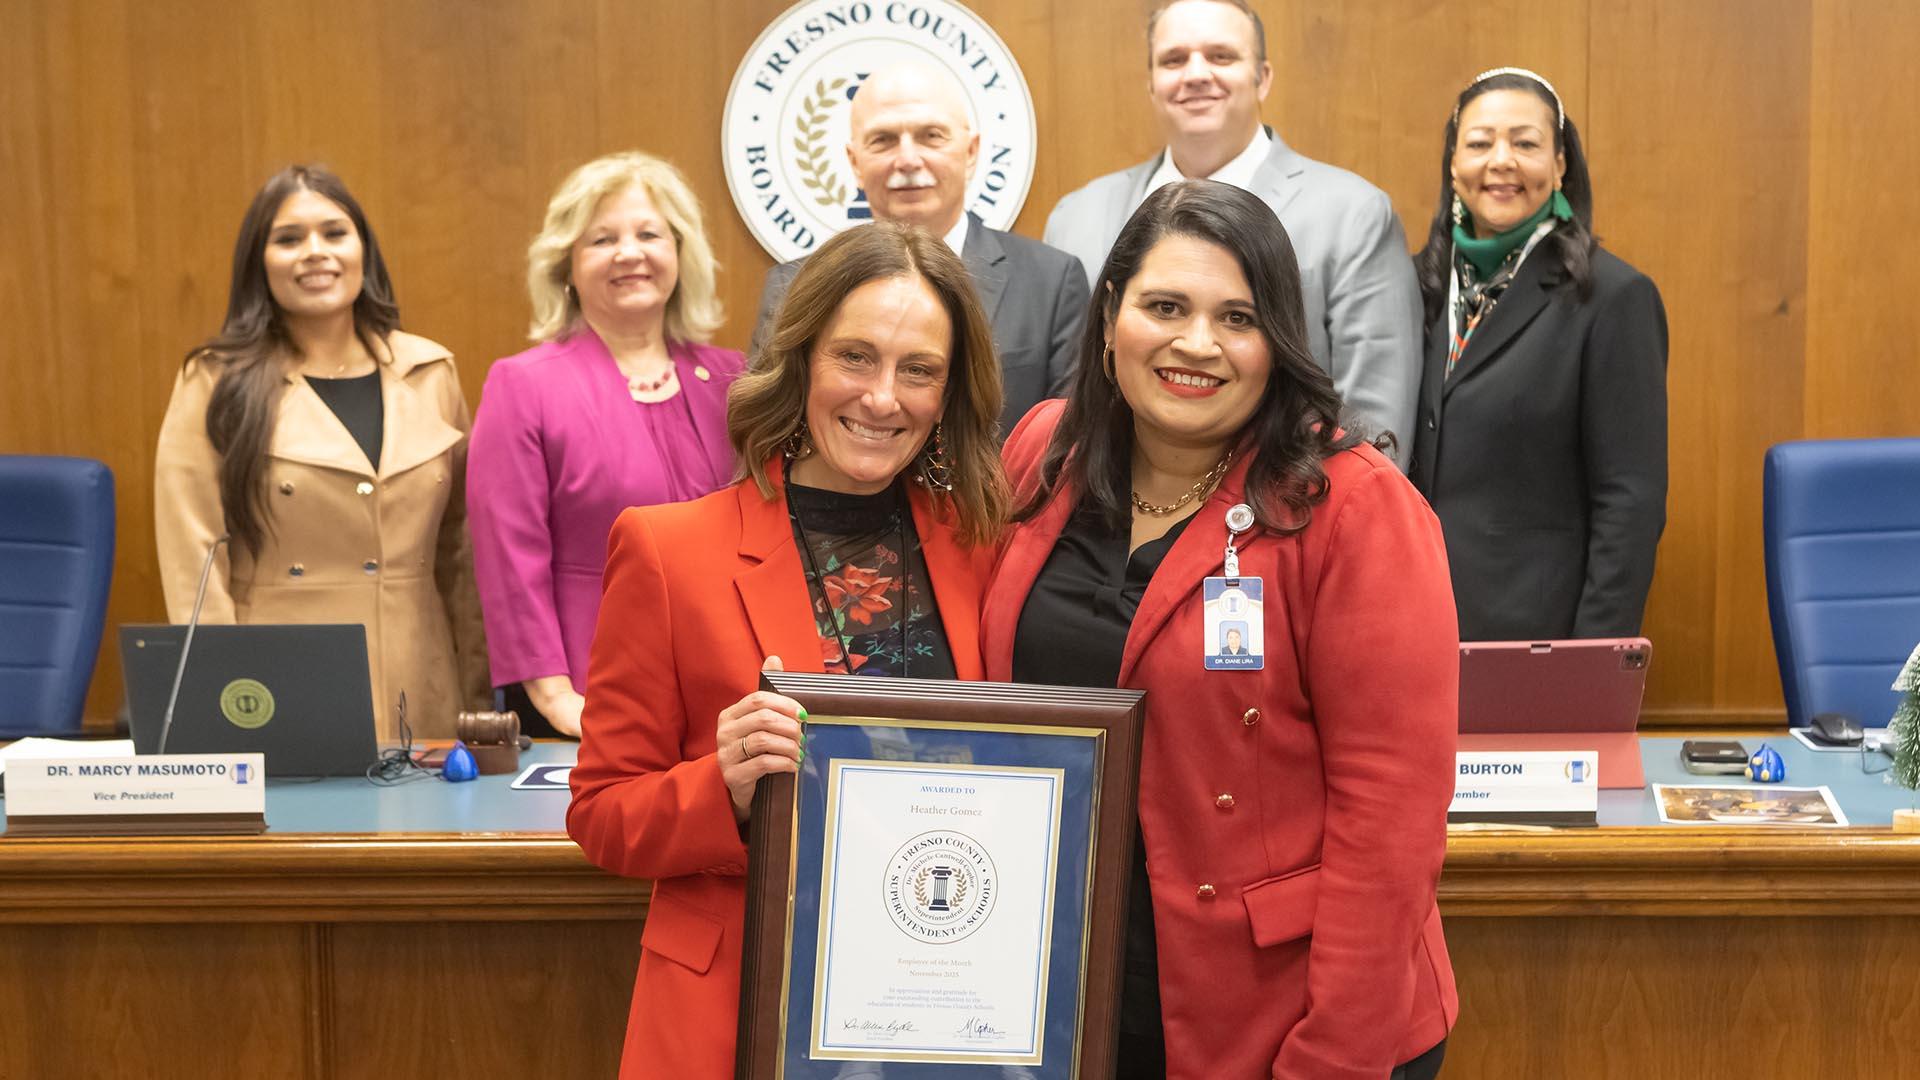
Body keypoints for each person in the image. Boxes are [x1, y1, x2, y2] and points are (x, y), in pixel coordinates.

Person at [983, 180, 1457, 1079]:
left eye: (1237, 318)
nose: (1196, 344)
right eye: (1166, 306)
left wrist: (1336, 1055)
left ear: (1277, 343)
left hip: (1285, 1010)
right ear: (1112, 312)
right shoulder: (1045, 449)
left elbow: (1391, 819)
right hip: (1075, 985)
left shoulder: (1355, 510)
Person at [568, 220, 1008, 1078]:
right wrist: (724, 786)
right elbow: (602, 816)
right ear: (801, 358)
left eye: (918, 369)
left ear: (950, 393)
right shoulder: (668, 551)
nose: (883, 397)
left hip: (948, 1006)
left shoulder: (988, 549)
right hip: (743, 1012)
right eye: (855, 357)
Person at [154, 165, 486, 740]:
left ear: (363, 249)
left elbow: (463, 556)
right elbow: (195, 564)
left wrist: (478, 699)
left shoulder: (431, 371)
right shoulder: (214, 381)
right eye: (288, 239)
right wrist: (221, 704)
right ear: (260, 262)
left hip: (423, 681)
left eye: (334, 233)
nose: (314, 252)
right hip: (279, 682)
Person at [1043, 0, 1421, 463]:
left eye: (1221, 56)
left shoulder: (1354, 215)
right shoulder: (1076, 216)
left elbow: (1374, 422)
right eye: (1174, 59)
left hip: (1287, 516)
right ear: (1152, 83)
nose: (1196, 74)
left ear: (1263, 77)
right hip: (1106, 512)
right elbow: (1070, 399)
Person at [467, 152, 743, 738]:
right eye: (601, 239)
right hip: (588, 694)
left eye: (649, 233)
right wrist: (555, 696)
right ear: (566, 265)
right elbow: (509, 559)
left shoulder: (733, 379)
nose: (629, 253)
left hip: (723, 691)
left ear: (680, 255)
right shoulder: (522, 384)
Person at [1408, 67, 1668, 641]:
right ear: (1454, 165)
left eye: (1525, 143)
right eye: (1479, 143)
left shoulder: (1612, 298)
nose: (1501, 160)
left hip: (1538, 642)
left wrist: (1591, 660)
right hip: (1410, 627)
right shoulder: (1413, 288)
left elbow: (1630, 503)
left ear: (1559, 165)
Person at [751, 61, 1088, 437]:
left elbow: (1066, 447)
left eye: (931, 136)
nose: (908, 160)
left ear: (972, 152)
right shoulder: (793, 285)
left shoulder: (1052, 282)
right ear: (854, 162)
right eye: (883, 140)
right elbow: (770, 435)